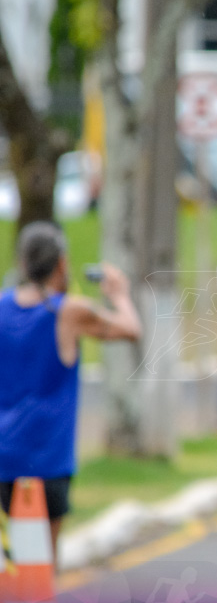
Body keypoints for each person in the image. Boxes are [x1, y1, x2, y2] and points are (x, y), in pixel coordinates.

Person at [0, 221, 141, 562]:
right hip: (48, 459)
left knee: (25, 559)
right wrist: (119, 294)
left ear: (22, 262)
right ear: (62, 263)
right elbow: (131, 330)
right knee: (39, 569)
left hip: (6, 456)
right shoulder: (68, 310)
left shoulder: (2, 308)